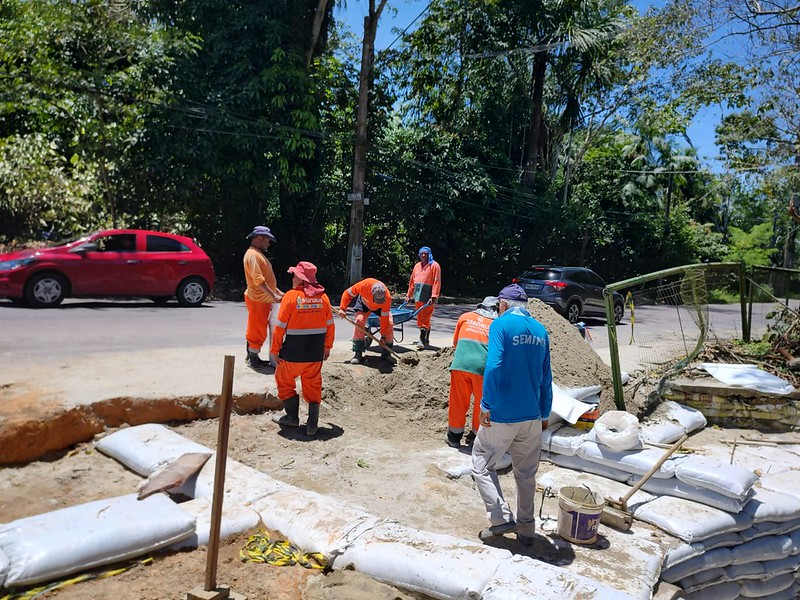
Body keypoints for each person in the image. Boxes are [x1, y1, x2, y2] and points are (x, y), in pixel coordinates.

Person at [471, 283, 552, 547]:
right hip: (531, 415)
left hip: (503, 414)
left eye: (498, 306)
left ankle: (499, 517)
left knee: (481, 460)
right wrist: (544, 412)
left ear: (503, 305)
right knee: (526, 475)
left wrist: (486, 404)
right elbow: (545, 378)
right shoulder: (541, 331)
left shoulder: (500, 326)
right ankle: (527, 531)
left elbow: (493, 365)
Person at [270, 261, 334, 436]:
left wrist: (275, 351)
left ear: (300, 278)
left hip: (291, 355)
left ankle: (292, 418)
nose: (292, 277)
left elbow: (279, 327)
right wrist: (327, 347)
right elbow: (330, 326)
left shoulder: (290, 297)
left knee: (284, 382)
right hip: (314, 355)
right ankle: (312, 425)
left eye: (294, 275)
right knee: (313, 386)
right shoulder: (324, 298)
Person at [446, 296, 499, 448]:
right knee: (481, 402)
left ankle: (453, 437)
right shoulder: (495, 324)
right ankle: (475, 436)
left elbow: (456, 343)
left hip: (460, 365)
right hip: (482, 369)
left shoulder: (465, 317)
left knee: (458, 401)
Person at [243, 225, 283, 369]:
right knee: (257, 329)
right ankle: (253, 359)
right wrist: (274, 295)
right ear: (259, 238)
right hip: (258, 299)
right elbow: (258, 281)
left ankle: (252, 356)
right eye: (267, 239)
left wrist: (276, 292)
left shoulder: (256, 254)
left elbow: (266, 279)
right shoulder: (253, 255)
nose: (269, 243)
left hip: (261, 298)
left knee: (256, 326)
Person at [338, 278, 394, 364]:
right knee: (359, 321)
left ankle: (387, 353)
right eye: (377, 300)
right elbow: (347, 293)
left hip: (379, 308)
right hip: (364, 304)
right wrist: (342, 308)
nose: (378, 302)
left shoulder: (387, 298)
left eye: (380, 300)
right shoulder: (363, 286)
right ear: (371, 293)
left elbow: (384, 318)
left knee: (389, 323)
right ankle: (358, 352)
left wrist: (383, 336)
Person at [406, 246, 441, 348]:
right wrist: (408, 295)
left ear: (429, 254)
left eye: (425, 253)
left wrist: (434, 296)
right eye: (421, 254)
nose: (423, 255)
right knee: (420, 317)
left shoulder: (434, 266)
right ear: (419, 255)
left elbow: (437, 281)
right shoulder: (417, 266)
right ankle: (426, 339)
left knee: (425, 317)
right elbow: (412, 281)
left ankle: (421, 340)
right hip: (418, 295)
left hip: (428, 295)